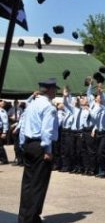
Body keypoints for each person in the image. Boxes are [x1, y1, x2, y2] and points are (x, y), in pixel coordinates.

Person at [18, 78, 59, 223]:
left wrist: (23, 144)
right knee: (38, 184)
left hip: (29, 144)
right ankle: (32, 218)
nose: (56, 91)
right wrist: (48, 150)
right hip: (40, 147)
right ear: (48, 90)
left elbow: (23, 126)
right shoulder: (49, 107)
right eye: (54, 89)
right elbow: (46, 131)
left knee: (28, 183)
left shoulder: (32, 104)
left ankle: (23, 217)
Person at [0, 99, 9, 164]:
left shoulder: (2, 111)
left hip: (0, 130)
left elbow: (5, 122)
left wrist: (4, 132)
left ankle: (4, 159)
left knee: (0, 146)